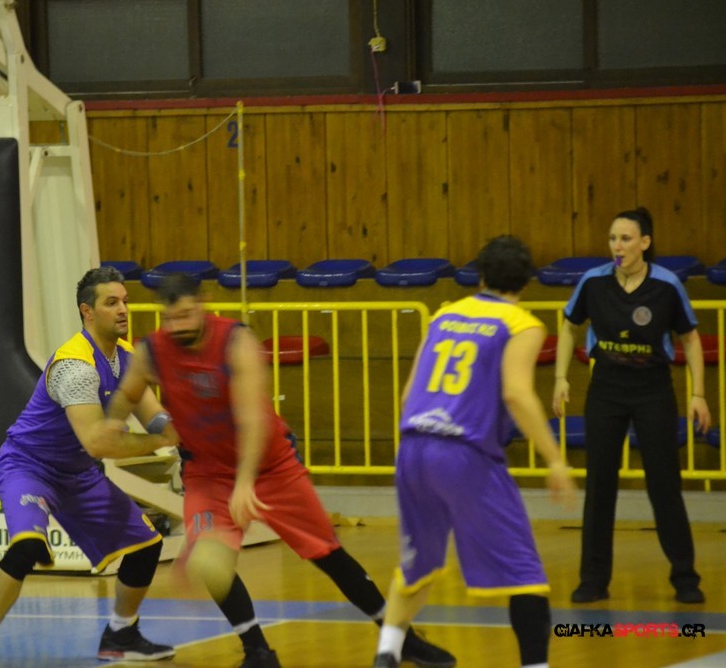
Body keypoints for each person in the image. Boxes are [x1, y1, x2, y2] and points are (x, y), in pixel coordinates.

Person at [108, 272, 457, 668]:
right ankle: (257, 651)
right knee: (211, 561)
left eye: (186, 316)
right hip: (207, 471)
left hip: (270, 466)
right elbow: (128, 393)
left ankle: (402, 639)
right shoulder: (152, 351)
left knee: (328, 554)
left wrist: (245, 483)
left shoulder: (235, 342)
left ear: (202, 305)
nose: (178, 327)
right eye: (170, 319)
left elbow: (253, 419)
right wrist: (111, 423)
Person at [0, 266, 179, 667]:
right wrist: (163, 442)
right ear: (87, 312)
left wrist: (180, 429)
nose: (123, 309)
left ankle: (121, 634)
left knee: (147, 547)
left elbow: (154, 415)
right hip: (30, 466)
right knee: (26, 548)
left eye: (125, 301)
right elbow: (98, 443)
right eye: (111, 302)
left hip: (78, 475)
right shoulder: (75, 366)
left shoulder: (126, 357)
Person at [372, 236, 577, 668]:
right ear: (527, 281)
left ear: (480, 275)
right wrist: (555, 459)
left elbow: (409, 394)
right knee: (525, 573)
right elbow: (517, 394)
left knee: (418, 565)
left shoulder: (446, 314)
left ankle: (386, 654)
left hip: (413, 447)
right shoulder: (521, 323)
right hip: (464, 454)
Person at [552, 207, 710, 605]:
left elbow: (690, 339)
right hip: (606, 389)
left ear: (645, 242)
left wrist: (698, 394)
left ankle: (685, 578)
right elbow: (569, 327)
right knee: (600, 486)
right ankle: (593, 580)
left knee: (664, 485)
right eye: (612, 239)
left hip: (653, 391)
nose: (617, 247)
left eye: (625, 239)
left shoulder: (666, 285)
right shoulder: (593, 282)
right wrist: (560, 378)